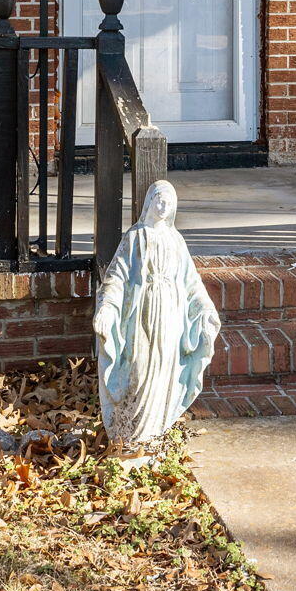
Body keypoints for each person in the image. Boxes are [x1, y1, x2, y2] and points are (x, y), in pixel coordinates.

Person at [93, 180, 221, 456]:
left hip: (169, 316)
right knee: (138, 369)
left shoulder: (175, 240)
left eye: (169, 203)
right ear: (149, 202)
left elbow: (191, 282)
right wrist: (108, 307)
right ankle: (130, 432)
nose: (163, 207)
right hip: (139, 314)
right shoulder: (135, 237)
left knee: (164, 372)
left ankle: (150, 436)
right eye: (159, 200)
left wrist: (205, 309)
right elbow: (117, 277)